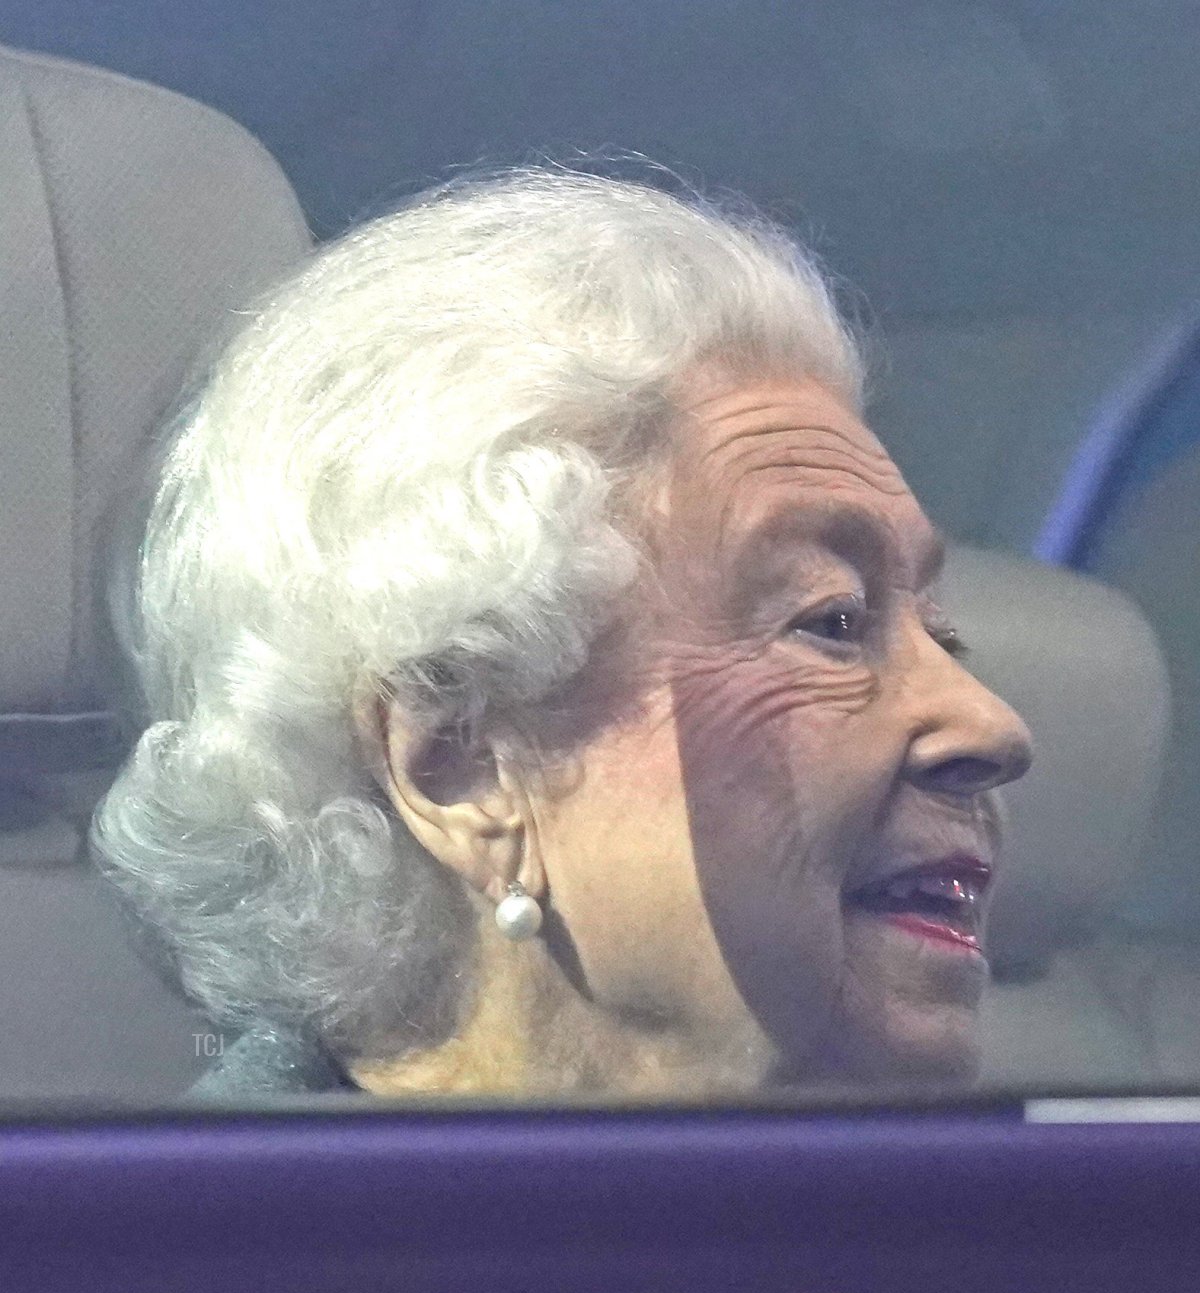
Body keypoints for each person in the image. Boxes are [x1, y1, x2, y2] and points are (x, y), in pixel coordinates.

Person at [89, 166, 1033, 1100]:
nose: (992, 727)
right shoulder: (140, 1254)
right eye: (831, 622)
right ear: (462, 765)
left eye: (942, 637)